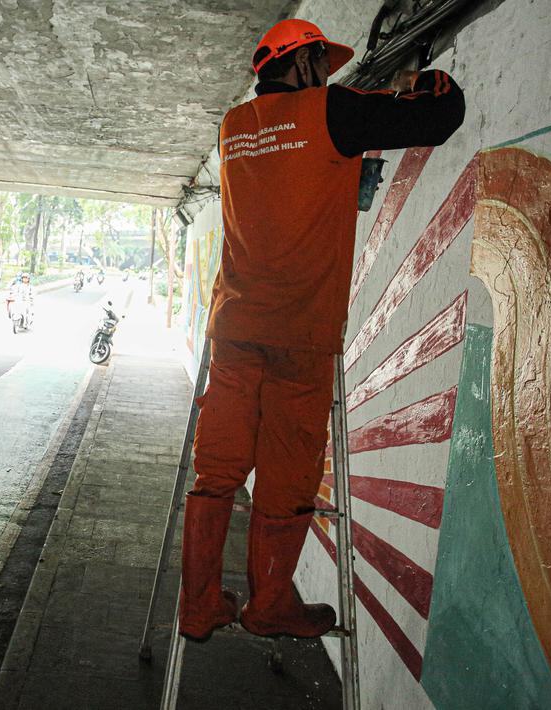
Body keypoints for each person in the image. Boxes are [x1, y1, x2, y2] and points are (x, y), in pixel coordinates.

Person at [180, 18, 465, 643]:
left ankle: (198, 605)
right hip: (300, 337)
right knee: (286, 476)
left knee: (217, 468)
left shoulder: (232, 129)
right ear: (305, 63)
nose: (330, 75)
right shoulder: (331, 110)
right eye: (324, 64)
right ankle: (268, 605)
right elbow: (440, 114)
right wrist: (425, 78)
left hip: (234, 327)